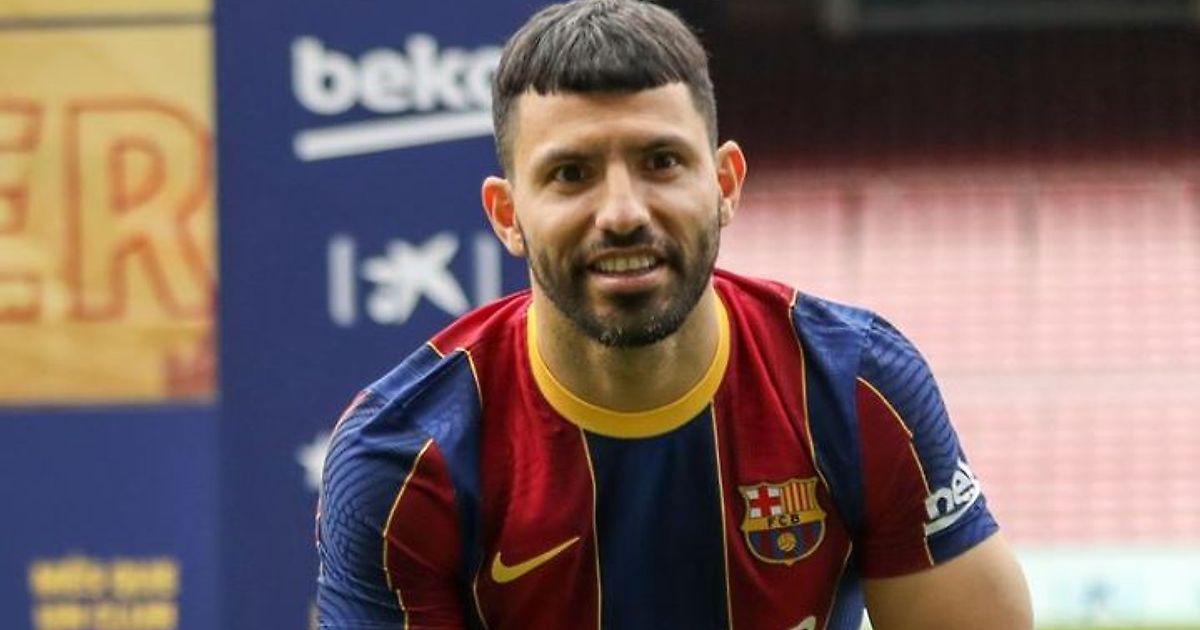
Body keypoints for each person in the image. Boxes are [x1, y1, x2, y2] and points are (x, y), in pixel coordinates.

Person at [315, 1, 1033, 628]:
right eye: (571, 174)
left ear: (725, 184)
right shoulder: (404, 460)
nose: (623, 213)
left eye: (661, 162)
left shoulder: (856, 386)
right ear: (507, 215)